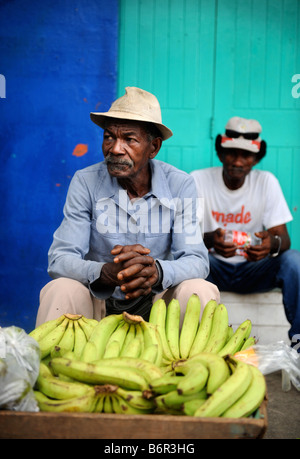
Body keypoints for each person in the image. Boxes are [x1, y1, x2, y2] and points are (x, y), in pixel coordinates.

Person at [35, 87, 219, 327]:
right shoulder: (85, 181)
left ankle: (189, 362)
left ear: (153, 148)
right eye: (109, 136)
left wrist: (157, 272)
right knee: (61, 289)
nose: (115, 148)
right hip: (100, 302)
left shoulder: (180, 184)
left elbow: (197, 260)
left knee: (199, 289)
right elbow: (59, 259)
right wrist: (104, 272)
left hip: (157, 306)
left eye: (129, 139)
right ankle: (50, 363)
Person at [191, 116, 300, 352]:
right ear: (220, 154)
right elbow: (183, 238)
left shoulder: (266, 182)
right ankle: (195, 343)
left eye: (247, 155)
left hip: (254, 270)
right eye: (231, 153)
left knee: (294, 260)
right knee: (190, 260)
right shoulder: (198, 180)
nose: (238, 161)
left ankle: (299, 341)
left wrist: (271, 244)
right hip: (213, 267)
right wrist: (210, 240)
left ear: (257, 158)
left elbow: (285, 240)